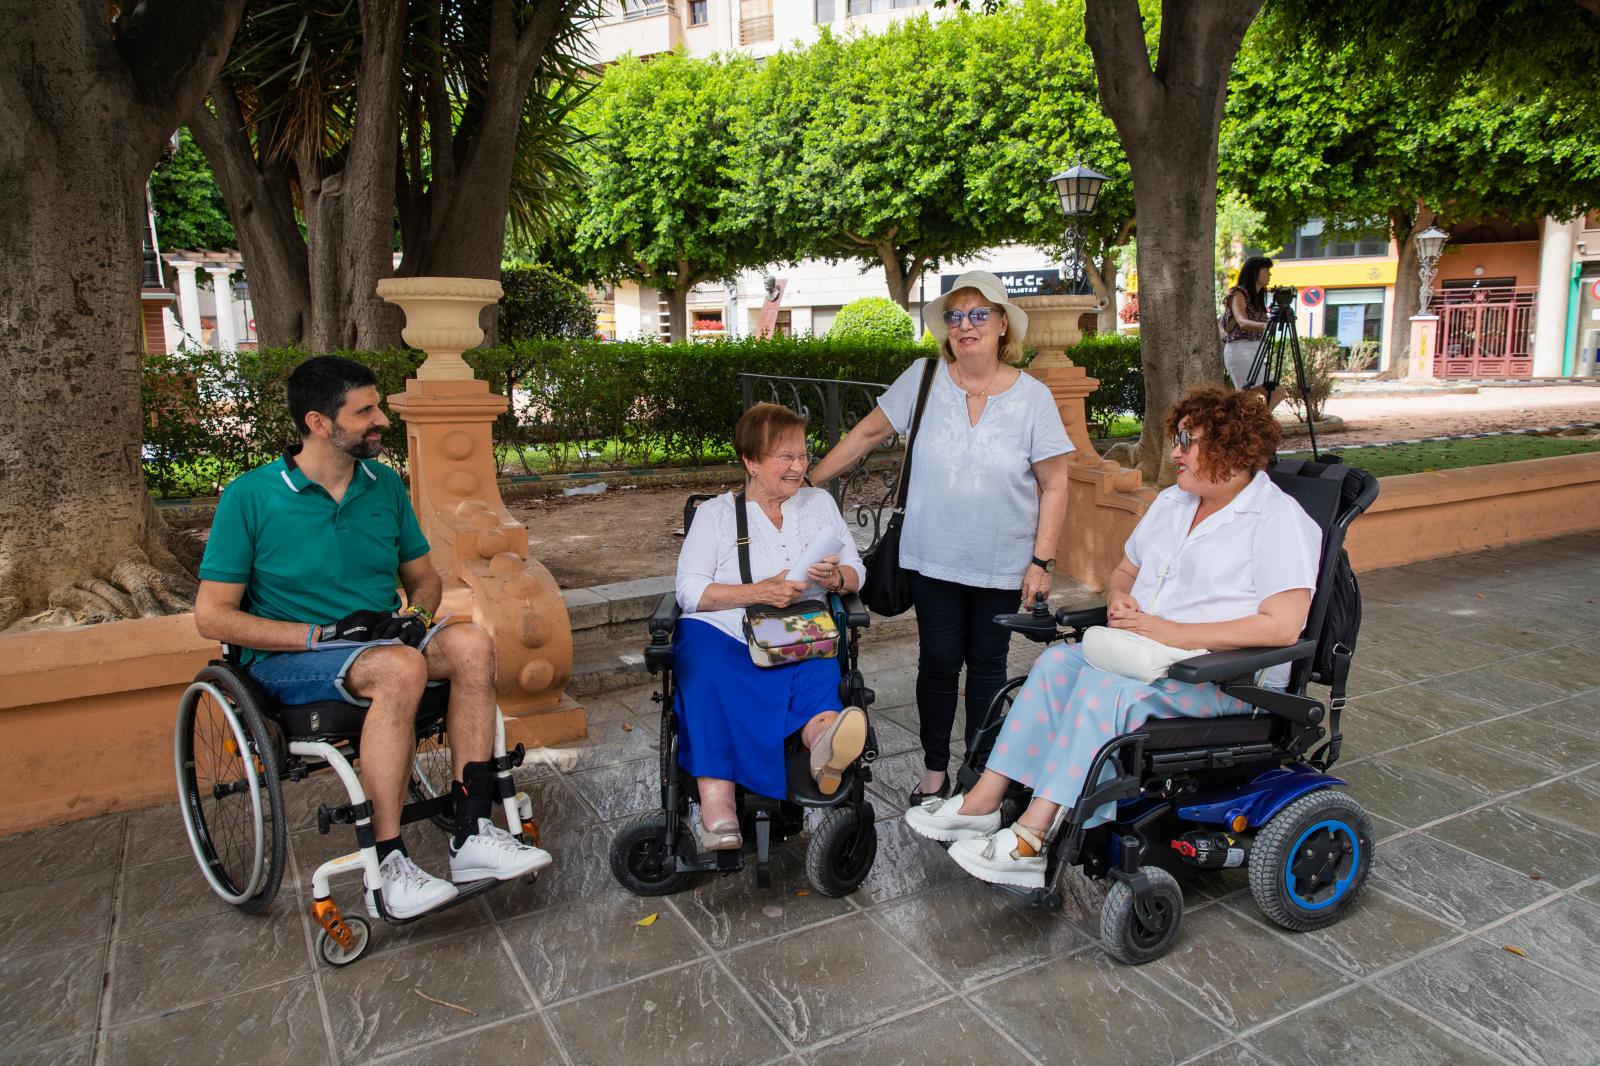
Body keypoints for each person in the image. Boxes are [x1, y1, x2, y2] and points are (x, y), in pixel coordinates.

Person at [905, 386, 1322, 889]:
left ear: (1232, 449)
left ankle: (1034, 835)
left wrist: (1176, 632)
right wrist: (1122, 598)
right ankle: (981, 802)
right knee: (1058, 666)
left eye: (1188, 441)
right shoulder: (1173, 502)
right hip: (1152, 655)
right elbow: (1124, 571)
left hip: (1224, 680)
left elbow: (1282, 625)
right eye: (1177, 438)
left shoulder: (1279, 521)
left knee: (1104, 691)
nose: (1175, 452)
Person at [194, 355, 551, 920]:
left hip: (381, 643)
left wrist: (417, 616)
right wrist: (320, 633)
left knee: (471, 645)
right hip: (292, 659)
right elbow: (213, 617)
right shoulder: (251, 497)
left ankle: (471, 833)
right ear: (318, 422)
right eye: (365, 411)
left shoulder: (383, 485)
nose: (381, 418)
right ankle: (387, 865)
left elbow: (425, 578)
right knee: (399, 668)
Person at [810, 270, 1072, 808]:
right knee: (937, 664)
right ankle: (934, 773)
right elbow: (866, 433)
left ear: (1003, 325)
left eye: (979, 314)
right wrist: (805, 482)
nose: (965, 326)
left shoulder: (1033, 398)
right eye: (955, 315)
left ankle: (977, 775)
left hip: (1003, 562)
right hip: (933, 558)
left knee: (989, 668)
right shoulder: (924, 377)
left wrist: (1042, 560)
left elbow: (1055, 483)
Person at [673, 402, 869, 851]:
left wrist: (837, 578)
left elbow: (857, 569)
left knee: (818, 665)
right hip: (723, 630)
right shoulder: (717, 515)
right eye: (786, 457)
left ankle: (826, 746)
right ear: (751, 462)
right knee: (705, 674)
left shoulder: (819, 505)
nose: (799, 466)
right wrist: (758, 591)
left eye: (803, 455)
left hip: (796, 628)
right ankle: (717, 807)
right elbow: (690, 591)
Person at [1219, 256, 1287, 409]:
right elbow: (1242, 321)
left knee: (1247, 400)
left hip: (1254, 352)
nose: (1270, 275)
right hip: (1240, 350)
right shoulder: (1239, 293)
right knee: (1275, 392)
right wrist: (1266, 325)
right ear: (1255, 272)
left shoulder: (1257, 299)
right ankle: (1260, 426)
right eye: (1266, 270)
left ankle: (1252, 428)